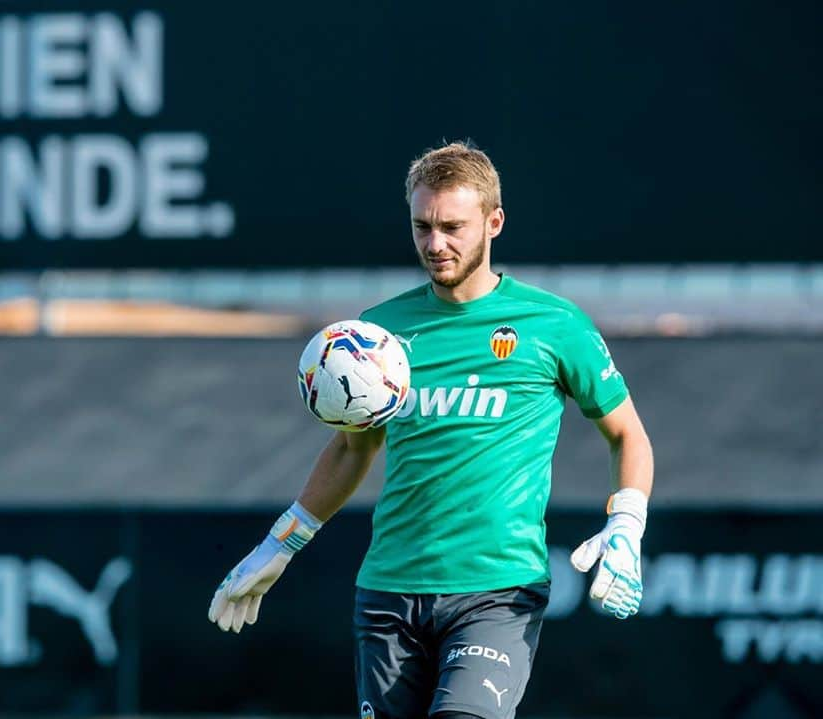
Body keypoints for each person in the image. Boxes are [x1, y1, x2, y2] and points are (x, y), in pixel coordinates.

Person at [208, 141, 654, 719]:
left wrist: (627, 523)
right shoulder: (378, 334)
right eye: (422, 226)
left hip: (497, 591)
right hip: (389, 590)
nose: (435, 244)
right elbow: (352, 449)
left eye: (452, 226)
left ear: (494, 222)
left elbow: (627, 435)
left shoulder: (554, 325)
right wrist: (281, 542)